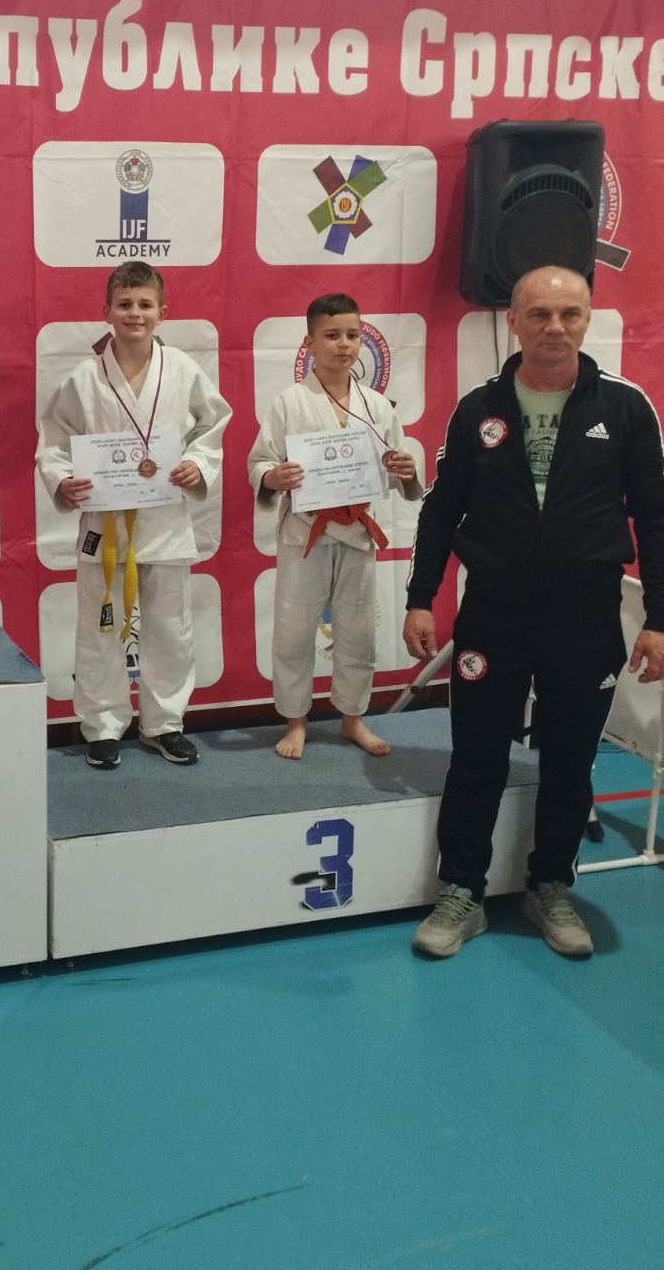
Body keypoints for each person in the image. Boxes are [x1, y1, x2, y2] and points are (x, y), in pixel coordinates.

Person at [403, 265, 664, 959]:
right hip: (494, 614)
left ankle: (549, 885)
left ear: (587, 319)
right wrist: (420, 596)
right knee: (476, 757)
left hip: (585, 616)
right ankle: (461, 891)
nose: (555, 327)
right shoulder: (477, 409)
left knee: (571, 761)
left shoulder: (625, 407)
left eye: (569, 314)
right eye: (540, 314)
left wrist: (659, 617)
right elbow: (441, 510)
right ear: (513, 320)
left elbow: (655, 518)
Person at [36, 263, 231, 768]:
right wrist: (63, 480)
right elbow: (54, 441)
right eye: (124, 304)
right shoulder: (84, 379)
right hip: (104, 525)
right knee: (100, 629)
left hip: (164, 522)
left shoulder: (182, 369)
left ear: (163, 312)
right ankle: (102, 725)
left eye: (145, 305)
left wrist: (197, 463)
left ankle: (164, 723)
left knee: (171, 628)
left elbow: (212, 426)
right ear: (106, 311)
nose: (135, 314)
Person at [248, 293, 421, 760]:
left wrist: (405, 470)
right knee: (294, 629)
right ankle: (295, 721)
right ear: (309, 342)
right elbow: (260, 461)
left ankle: (353, 718)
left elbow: (398, 467)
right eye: (331, 335)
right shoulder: (290, 402)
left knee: (358, 629)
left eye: (352, 335)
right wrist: (273, 476)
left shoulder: (377, 405)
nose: (344, 344)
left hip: (358, 533)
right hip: (305, 532)